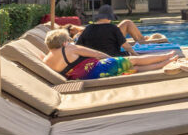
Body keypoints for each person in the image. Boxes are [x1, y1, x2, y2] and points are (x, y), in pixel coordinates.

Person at [43, 29, 179, 81]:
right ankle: (166, 56)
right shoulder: (69, 48)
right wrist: (113, 59)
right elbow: (96, 54)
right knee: (133, 60)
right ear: (64, 41)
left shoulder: (46, 59)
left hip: (83, 78)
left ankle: (164, 63)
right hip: (98, 69)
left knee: (134, 68)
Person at [73, 5, 148, 57]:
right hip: (113, 57)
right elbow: (125, 45)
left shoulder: (88, 28)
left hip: (94, 58)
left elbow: (78, 46)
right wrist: (135, 54)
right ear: (110, 17)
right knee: (129, 54)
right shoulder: (113, 28)